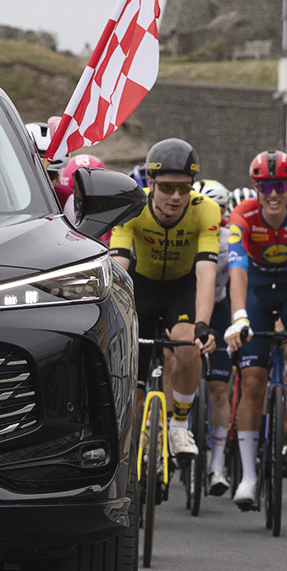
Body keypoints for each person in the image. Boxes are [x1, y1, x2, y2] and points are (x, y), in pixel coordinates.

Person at [224, 150, 287, 509]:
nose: (273, 193)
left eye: (280, 185)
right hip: (255, 290)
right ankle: (249, 477)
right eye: (266, 185)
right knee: (252, 380)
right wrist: (239, 316)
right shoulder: (243, 215)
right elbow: (236, 269)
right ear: (256, 186)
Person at [109, 139, 218, 461]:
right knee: (135, 389)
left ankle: (180, 425)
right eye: (168, 187)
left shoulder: (205, 210)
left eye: (185, 188)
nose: (176, 197)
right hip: (140, 287)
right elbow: (119, 267)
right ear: (151, 184)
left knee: (187, 346)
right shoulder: (132, 207)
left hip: (180, 289)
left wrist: (203, 326)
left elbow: (206, 273)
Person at [192, 179, 235, 496]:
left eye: (219, 209)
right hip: (186, 308)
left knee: (220, 387)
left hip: (220, 308)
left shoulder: (230, 240)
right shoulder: (186, 232)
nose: (213, 214)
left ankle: (217, 465)